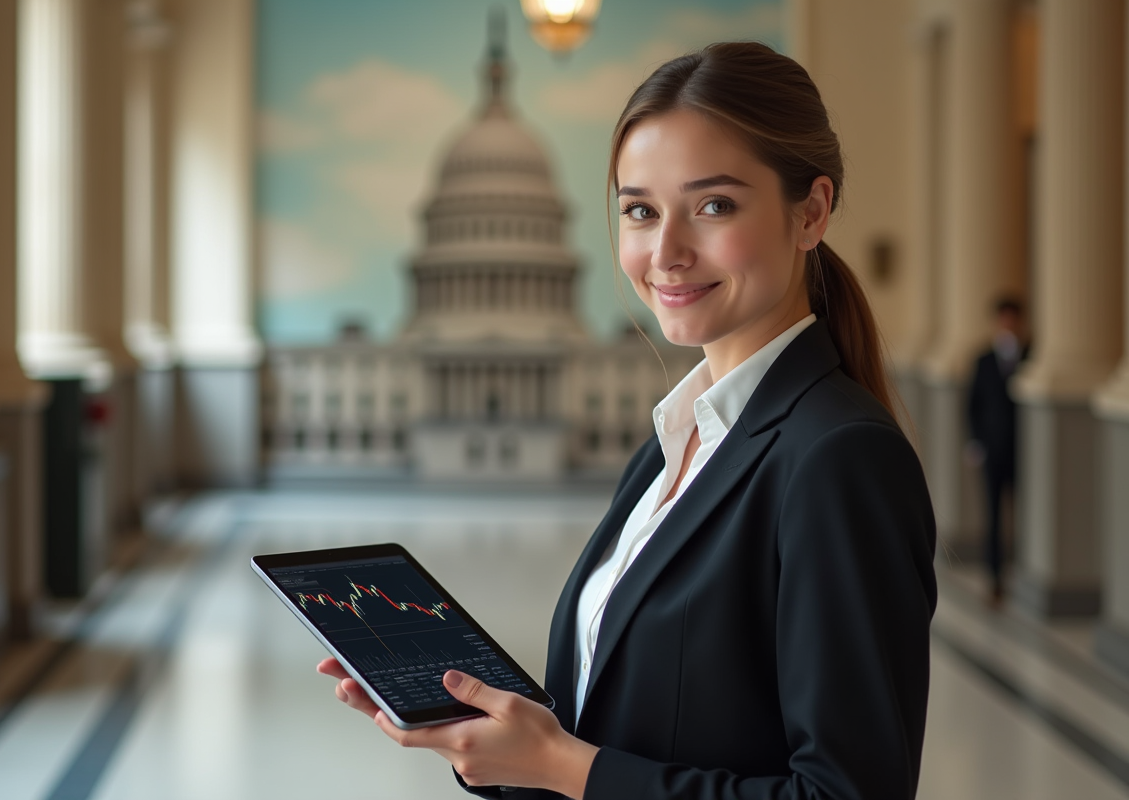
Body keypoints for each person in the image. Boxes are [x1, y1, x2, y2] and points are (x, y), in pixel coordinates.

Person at [318, 42, 937, 800]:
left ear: (811, 212)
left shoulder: (840, 457)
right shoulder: (674, 443)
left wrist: (560, 766)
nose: (666, 252)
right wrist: (501, 745)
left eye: (714, 205)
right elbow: (623, 727)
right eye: (641, 210)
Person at [967, 297, 1029, 604]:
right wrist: (976, 442)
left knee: (1026, 512)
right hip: (993, 448)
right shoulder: (984, 359)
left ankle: (1024, 572)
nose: (1008, 323)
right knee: (993, 514)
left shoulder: (1031, 355)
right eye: (1004, 318)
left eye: (1012, 318)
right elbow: (973, 404)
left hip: (1023, 451)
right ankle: (995, 577)